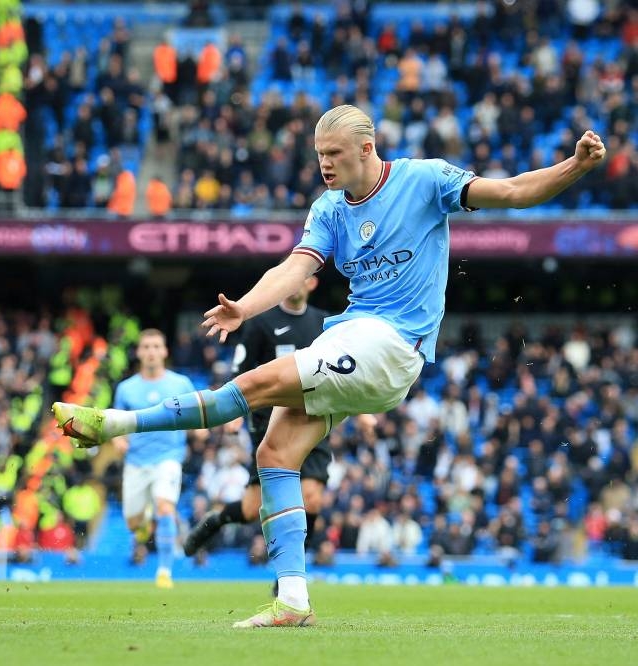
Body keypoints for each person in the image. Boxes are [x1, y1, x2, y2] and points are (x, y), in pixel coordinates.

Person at [52, 104, 606, 628]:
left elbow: (510, 191)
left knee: (255, 384)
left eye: (335, 153)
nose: (324, 163)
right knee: (274, 453)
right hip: (354, 341)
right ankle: (292, 599)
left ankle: (114, 423)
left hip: (392, 345)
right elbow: (293, 269)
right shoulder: (330, 209)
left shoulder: (424, 179)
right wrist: (244, 307)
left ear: (366, 149)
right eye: (319, 153)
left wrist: (574, 166)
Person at [182, 279, 332, 562]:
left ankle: (289, 577)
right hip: (268, 422)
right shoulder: (261, 323)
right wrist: (234, 412)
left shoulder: (324, 323)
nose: (296, 286)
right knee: (252, 509)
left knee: (312, 497)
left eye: (302, 281)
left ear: (312, 283)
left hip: (313, 417)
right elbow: (241, 368)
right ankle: (215, 520)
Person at [111, 329, 198, 589]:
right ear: (138, 352)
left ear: (164, 351)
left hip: (168, 458)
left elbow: (197, 414)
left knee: (165, 508)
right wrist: (118, 440)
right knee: (133, 521)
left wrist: (204, 431)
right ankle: (143, 520)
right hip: (136, 461)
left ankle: (164, 571)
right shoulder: (126, 388)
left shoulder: (180, 384)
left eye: (156, 346)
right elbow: (115, 423)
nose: (151, 351)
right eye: (146, 347)